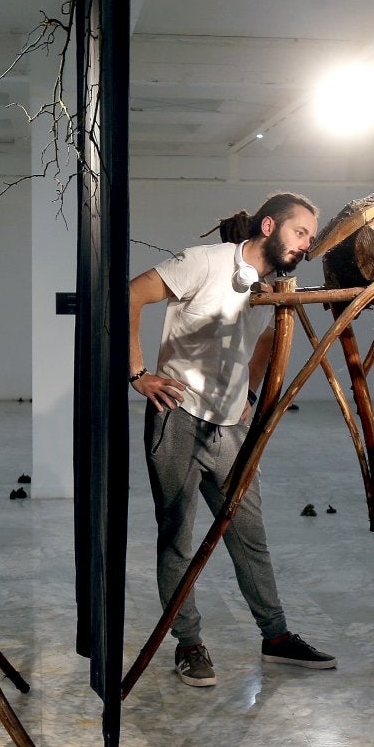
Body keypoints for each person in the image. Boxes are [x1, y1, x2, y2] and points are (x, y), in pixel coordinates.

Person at [129, 193, 337, 688]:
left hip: (231, 428)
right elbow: (129, 294)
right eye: (300, 232)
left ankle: (276, 636)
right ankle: (189, 643)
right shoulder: (204, 262)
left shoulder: (274, 286)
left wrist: (249, 391)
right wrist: (137, 373)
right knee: (178, 541)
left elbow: (263, 339)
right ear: (269, 226)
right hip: (177, 417)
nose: (307, 245)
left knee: (251, 537)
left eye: (311, 237)